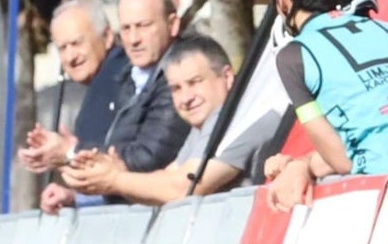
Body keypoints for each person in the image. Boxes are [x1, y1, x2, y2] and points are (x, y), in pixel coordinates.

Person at [62, 35, 280, 204]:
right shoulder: (203, 125)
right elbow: (168, 177)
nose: (186, 98)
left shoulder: (236, 118)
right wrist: (116, 174)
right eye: (176, 88)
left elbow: (185, 185)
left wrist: (114, 180)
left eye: (195, 82)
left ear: (227, 77)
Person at [260, 0, 388, 211]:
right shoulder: (383, 28)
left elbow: (341, 159)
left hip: (378, 186)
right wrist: (303, 164)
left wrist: (298, 166)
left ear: (282, 0)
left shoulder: (293, 57)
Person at [39, 0, 190, 213]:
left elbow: (146, 159)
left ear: (173, 24)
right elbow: (118, 157)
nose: (133, 39)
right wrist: (76, 198)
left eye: (143, 26)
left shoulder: (179, 74)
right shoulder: (128, 80)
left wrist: (72, 153)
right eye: (126, 29)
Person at [21, 0, 129, 172]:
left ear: (107, 36)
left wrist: (68, 152)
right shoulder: (101, 81)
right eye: (62, 48)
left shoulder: (116, 76)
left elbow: (118, 162)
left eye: (77, 43)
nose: (71, 57)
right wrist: (70, 196)